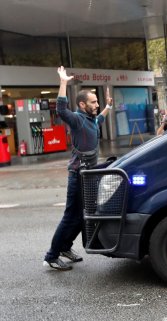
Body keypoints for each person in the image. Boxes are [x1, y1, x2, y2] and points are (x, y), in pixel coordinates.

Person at [43, 66, 113, 270]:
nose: (97, 104)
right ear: (82, 104)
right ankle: (52, 255)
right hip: (77, 175)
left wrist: (107, 107)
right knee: (70, 217)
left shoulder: (92, 120)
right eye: (93, 102)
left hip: (88, 176)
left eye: (97, 101)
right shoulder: (76, 119)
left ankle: (65, 247)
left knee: (81, 215)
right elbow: (61, 110)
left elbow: (99, 119)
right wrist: (63, 82)